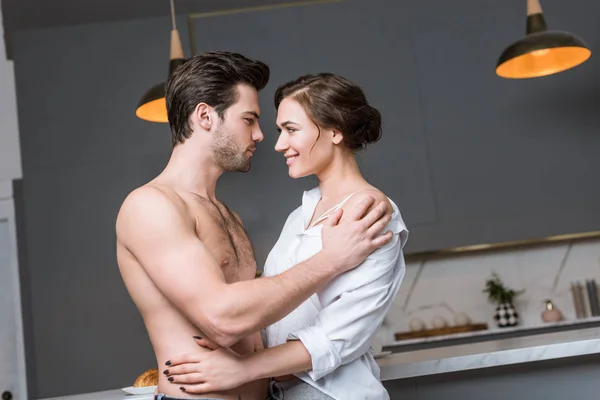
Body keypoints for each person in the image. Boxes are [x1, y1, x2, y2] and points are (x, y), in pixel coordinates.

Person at [116, 52, 394, 400]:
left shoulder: (227, 215)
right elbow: (223, 318)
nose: (261, 136)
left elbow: (262, 316)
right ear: (205, 116)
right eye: (249, 119)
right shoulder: (151, 206)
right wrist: (331, 259)